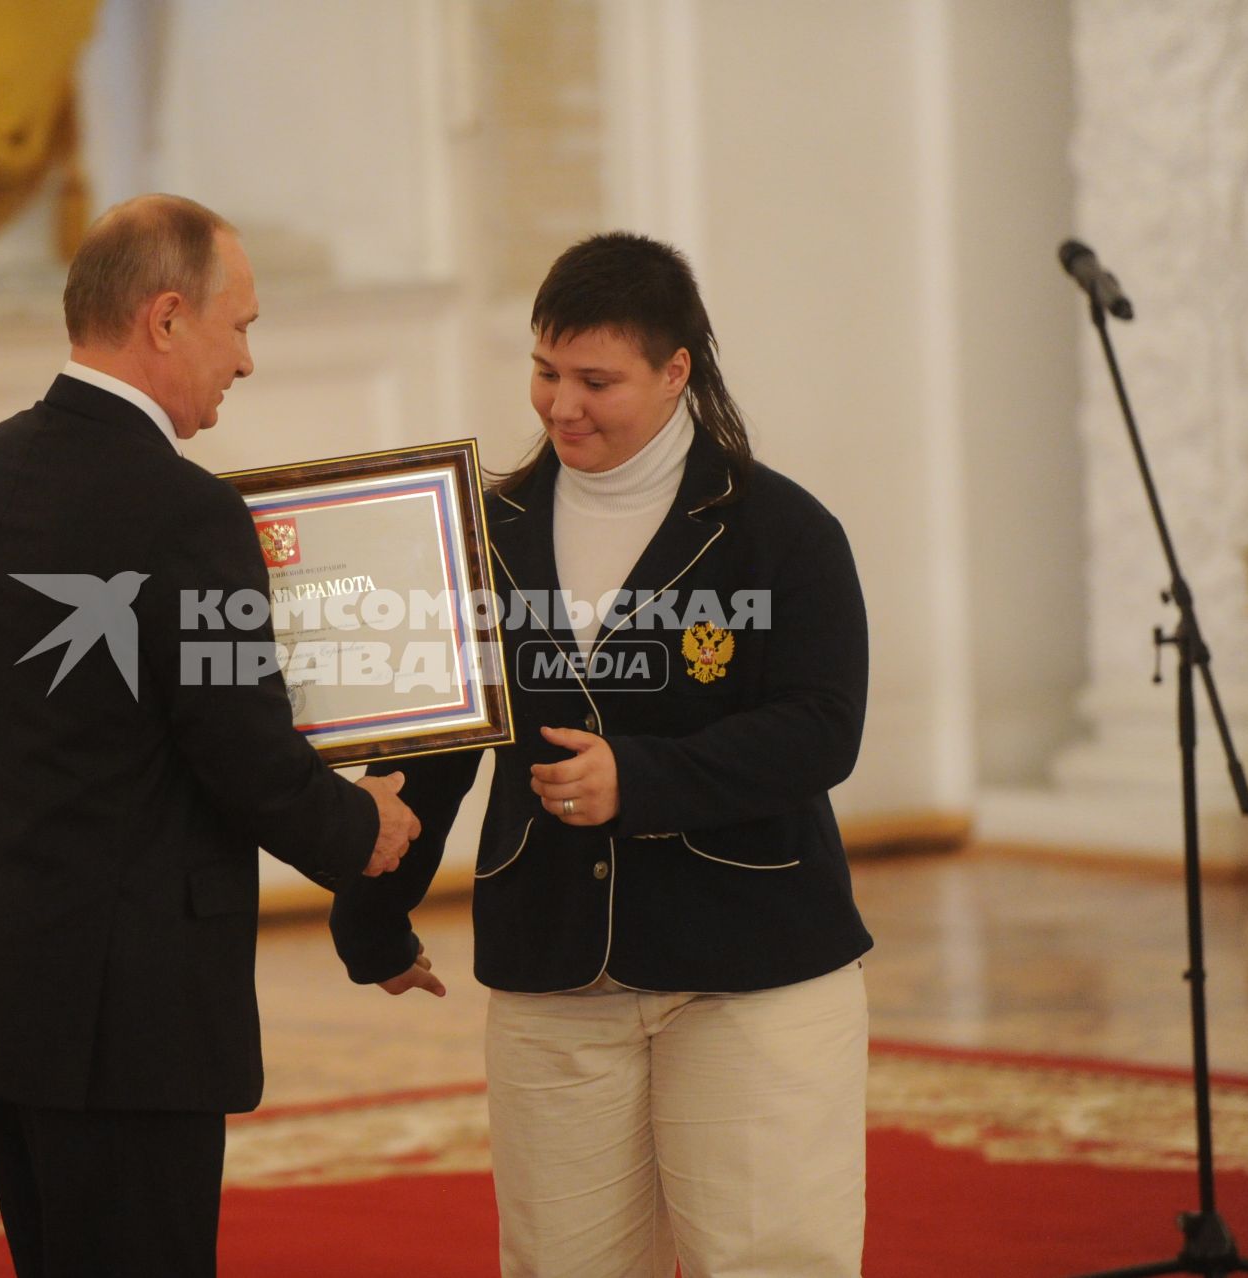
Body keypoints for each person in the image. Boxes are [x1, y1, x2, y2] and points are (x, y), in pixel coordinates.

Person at [331, 231, 873, 1278]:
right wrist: (372, 914)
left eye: (596, 380)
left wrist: (644, 779)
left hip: (752, 973)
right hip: (553, 967)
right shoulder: (486, 532)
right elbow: (435, 747)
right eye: (544, 371)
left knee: (768, 1261)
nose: (560, 404)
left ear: (676, 373)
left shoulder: (783, 532)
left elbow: (822, 728)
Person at [0, 193, 421, 1278]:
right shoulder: (185, 512)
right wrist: (362, 828)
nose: (246, 361)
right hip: (126, 1013)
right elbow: (241, 749)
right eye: (239, 326)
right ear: (165, 318)